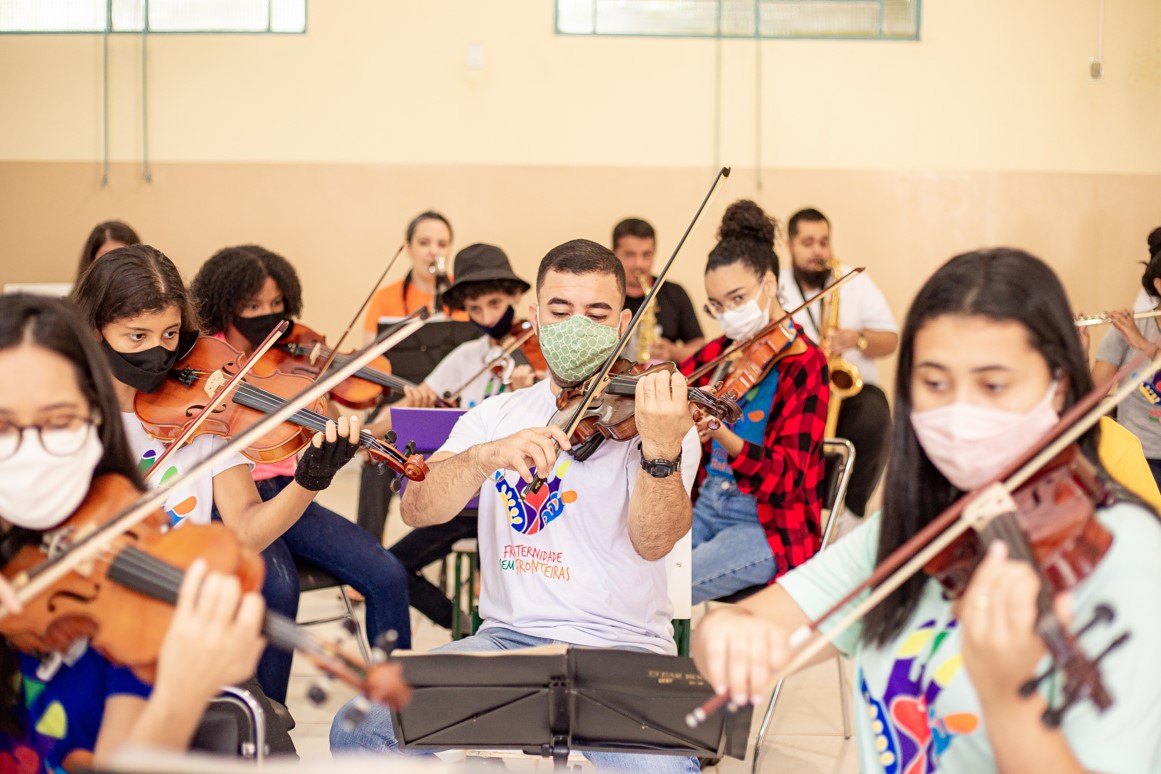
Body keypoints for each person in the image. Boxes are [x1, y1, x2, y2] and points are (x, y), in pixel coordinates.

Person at [693, 248, 1161, 773]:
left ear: (1058, 386)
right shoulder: (922, 526)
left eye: (993, 384)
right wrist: (726, 635)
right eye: (936, 383)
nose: (960, 411)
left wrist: (1010, 701)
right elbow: (760, 622)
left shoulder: (1130, 556)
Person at [330, 239, 704, 774]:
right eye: (560, 310)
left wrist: (662, 451)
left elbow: (652, 540)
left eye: (596, 314)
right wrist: (485, 458)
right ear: (535, 317)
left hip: (623, 652)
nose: (577, 325)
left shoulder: (658, 418)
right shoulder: (497, 413)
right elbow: (418, 509)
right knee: (359, 730)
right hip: (506, 646)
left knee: (665, 771)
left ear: (623, 324)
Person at [70, 245, 362, 711]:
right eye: (136, 336)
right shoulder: (68, 421)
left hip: (182, 625)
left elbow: (246, 529)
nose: (157, 352)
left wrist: (309, 481)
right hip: (88, 623)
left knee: (259, 730)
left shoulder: (204, 414)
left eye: (169, 333)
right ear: (94, 330)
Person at [0, 293, 266, 771]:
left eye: (59, 421)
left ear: (95, 423)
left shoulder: (125, 598)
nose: (30, 445)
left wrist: (179, 698)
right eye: (2, 426)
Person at [190, 244, 412, 704]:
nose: (266, 316)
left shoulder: (295, 364)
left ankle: (401, 714)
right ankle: (268, 719)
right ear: (222, 307)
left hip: (294, 491)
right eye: (251, 307)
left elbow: (318, 436)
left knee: (387, 574)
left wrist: (347, 424)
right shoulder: (205, 363)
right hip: (233, 499)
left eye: (276, 306)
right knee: (279, 587)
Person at [380, 243, 536, 631]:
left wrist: (530, 385)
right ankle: (465, 627)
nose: (486, 317)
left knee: (499, 581)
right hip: (463, 498)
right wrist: (367, 430)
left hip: (519, 503)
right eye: (476, 309)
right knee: (391, 568)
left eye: (496, 303)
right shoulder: (467, 355)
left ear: (516, 296)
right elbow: (404, 407)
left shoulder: (538, 354)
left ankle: (497, 634)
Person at [678, 201, 828, 604]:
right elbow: (668, 375)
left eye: (737, 298)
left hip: (767, 524)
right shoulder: (726, 351)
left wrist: (721, 433)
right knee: (632, 570)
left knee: (666, 590)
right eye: (717, 305)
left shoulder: (806, 365)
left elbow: (789, 479)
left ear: (769, 283)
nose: (728, 316)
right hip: (705, 503)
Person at [780, 208, 897, 527]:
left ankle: (852, 513)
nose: (817, 251)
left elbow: (890, 339)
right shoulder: (777, 287)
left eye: (823, 242)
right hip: (799, 393)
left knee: (875, 414)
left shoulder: (854, 281)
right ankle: (802, 510)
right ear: (790, 245)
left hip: (850, 394)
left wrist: (857, 338)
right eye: (808, 242)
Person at [357, 211, 465, 546]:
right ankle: (367, 551)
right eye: (424, 243)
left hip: (451, 401)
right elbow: (368, 364)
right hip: (401, 398)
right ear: (408, 248)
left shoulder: (460, 297)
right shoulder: (387, 297)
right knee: (376, 458)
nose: (433, 251)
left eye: (442, 243)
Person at [1092, 239, 1161, 491]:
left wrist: (1143, 345)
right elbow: (1089, 399)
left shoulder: (1137, 335)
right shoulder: (1126, 330)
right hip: (1140, 457)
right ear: (1159, 285)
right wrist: (1077, 351)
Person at [612, 218, 704, 362]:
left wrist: (674, 352)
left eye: (646, 255)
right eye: (630, 255)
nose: (639, 264)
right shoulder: (603, 294)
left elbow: (699, 347)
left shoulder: (675, 293)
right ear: (615, 254)